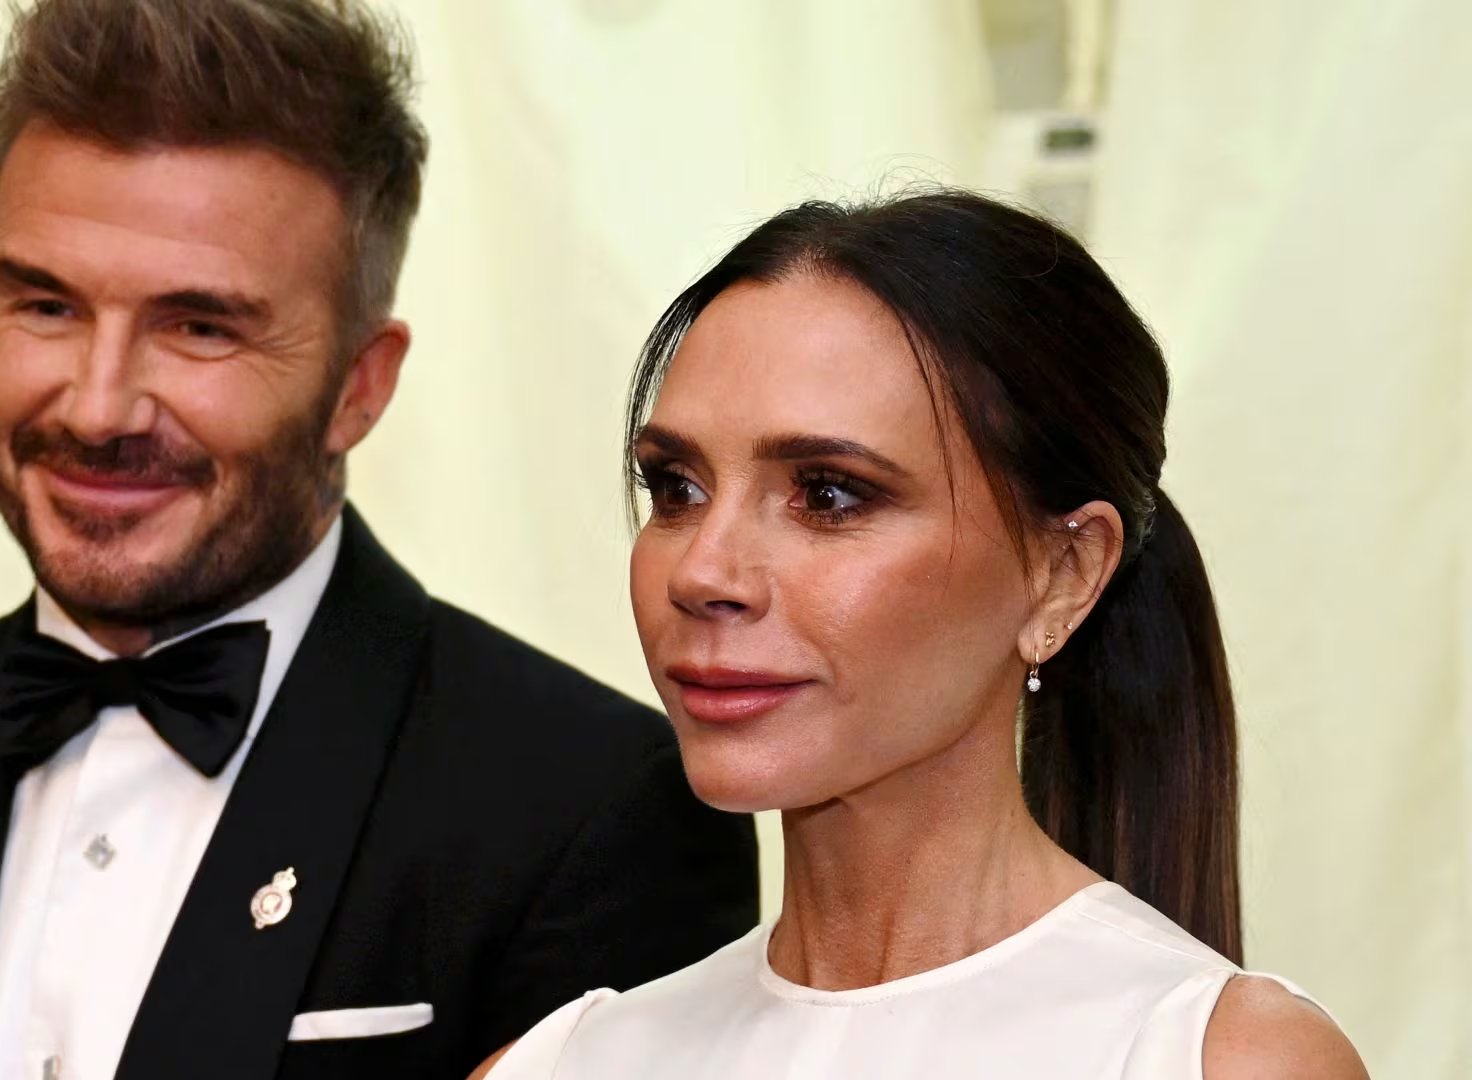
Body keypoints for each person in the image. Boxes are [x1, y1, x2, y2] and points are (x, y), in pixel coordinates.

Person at [0, 2, 758, 1077]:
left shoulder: (592, 812)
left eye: (198, 327)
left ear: (359, 387)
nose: (98, 408)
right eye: (46, 306)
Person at [474, 191, 1368, 1079]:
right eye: (677, 487)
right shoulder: (556, 1065)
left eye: (827, 494)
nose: (703, 573)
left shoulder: (1222, 1059)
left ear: (1064, 573)